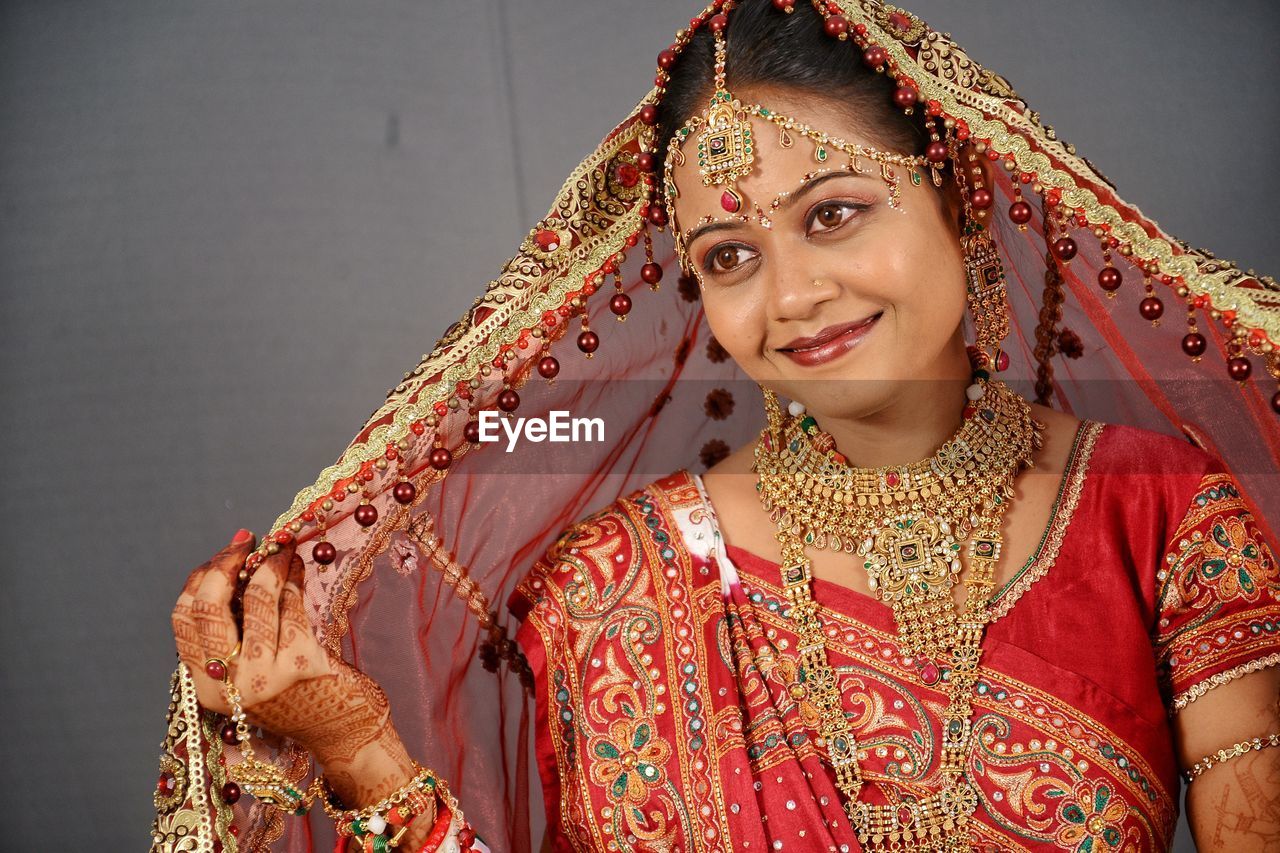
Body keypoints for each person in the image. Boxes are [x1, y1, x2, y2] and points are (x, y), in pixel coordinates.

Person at [153, 1, 1280, 851]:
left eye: (832, 214)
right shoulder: (611, 585)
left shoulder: (1164, 514)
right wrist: (355, 747)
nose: (788, 296)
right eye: (728, 257)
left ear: (961, 201)